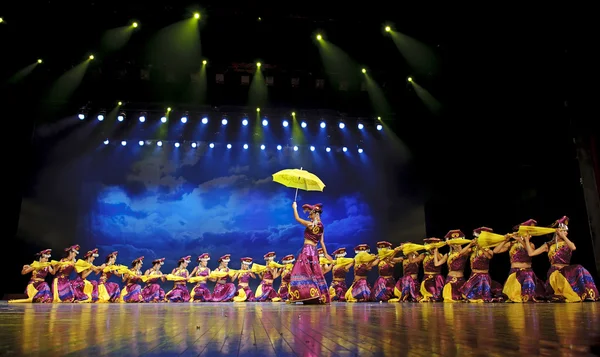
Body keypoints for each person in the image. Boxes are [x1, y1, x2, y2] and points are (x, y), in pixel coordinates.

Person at [524, 216, 599, 302]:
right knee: (561, 279)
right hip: (555, 272)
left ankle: (587, 293)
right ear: (557, 232)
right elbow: (531, 253)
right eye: (564, 231)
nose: (566, 233)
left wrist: (564, 236)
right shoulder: (548, 245)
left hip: (566, 271)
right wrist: (526, 240)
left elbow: (573, 247)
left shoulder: (568, 243)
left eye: (566, 231)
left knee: (579, 268)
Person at [288, 202, 332, 304]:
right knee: (313, 273)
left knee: (300, 272)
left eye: (310, 214)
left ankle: (307, 295)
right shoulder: (322, 226)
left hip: (307, 250)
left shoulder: (310, 224)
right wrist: (326, 254)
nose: (309, 216)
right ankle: (316, 295)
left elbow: (297, 219)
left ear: (315, 214)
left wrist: (294, 208)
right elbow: (321, 242)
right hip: (314, 251)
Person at [494, 219, 547, 302]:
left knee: (528, 294)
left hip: (528, 272)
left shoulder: (530, 244)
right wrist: (505, 240)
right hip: (514, 272)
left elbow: (530, 252)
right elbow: (495, 251)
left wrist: (522, 241)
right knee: (513, 295)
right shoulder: (511, 244)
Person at [459, 228, 505, 302]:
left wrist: (481, 247)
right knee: (466, 292)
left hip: (484, 276)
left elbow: (489, 256)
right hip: (473, 275)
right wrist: (470, 244)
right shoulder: (473, 249)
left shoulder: (488, 250)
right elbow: (461, 253)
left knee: (481, 294)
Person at [441, 230, 472, 302]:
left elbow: (461, 252)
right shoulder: (448, 254)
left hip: (461, 280)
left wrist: (469, 244)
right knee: (449, 298)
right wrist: (436, 251)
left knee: (463, 297)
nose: (456, 244)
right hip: (450, 280)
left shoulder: (466, 251)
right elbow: (437, 264)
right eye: (454, 243)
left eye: (457, 243)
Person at [420, 238, 446, 302]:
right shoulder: (424, 255)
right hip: (426, 278)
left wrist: (436, 252)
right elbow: (412, 261)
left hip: (436, 279)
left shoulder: (440, 255)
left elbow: (437, 263)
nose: (432, 250)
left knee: (435, 293)